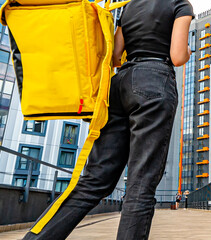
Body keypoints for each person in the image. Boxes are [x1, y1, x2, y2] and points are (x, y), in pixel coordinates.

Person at [23, 0, 194, 239]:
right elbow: (177, 56)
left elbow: (114, 56)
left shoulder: (129, 7)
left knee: (93, 181)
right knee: (141, 184)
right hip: (155, 81)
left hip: (118, 86)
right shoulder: (179, 4)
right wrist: (188, 51)